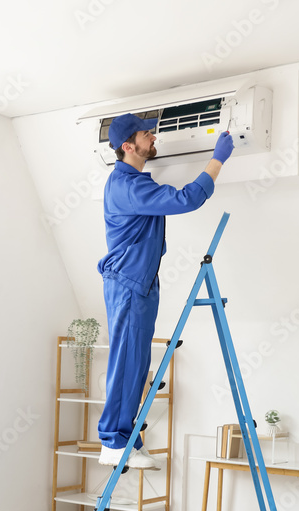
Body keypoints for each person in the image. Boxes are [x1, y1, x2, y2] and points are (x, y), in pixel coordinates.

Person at [97, 113, 233, 468]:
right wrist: (217, 159)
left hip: (138, 283)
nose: (153, 136)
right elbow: (187, 199)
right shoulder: (129, 186)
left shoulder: (135, 182)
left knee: (137, 365)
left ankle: (126, 439)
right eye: (146, 134)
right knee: (127, 363)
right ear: (128, 146)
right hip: (129, 283)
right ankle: (112, 440)